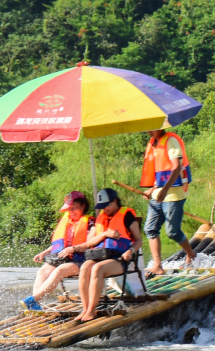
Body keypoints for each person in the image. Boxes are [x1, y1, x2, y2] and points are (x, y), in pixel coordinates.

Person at [75, 187, 149, 322]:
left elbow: (139, 240)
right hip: (101, 255)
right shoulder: (101, 218)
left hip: (121, 259)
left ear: (114, 201)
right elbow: (90, 242)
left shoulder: (127, 216)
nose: (104, 209)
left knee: (98, 268)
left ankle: (92, 310)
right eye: (102, 207)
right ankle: (85, 308)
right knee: (85, 266)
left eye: (106, 206)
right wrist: (105, 234)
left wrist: (130, 251)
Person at [22, 192, 93, 310]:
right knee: (42, 271)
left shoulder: (90, 223)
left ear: (83, 206)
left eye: (74, 208)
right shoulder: (67, 222)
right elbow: (59, 245)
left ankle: (34, 299)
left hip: (81, 261)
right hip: (62, 258)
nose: (71, 211)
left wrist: (73, 249)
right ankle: (35, 305)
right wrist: (45, 252)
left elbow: (91, 243)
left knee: (59, 271)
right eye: (69, 209)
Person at [140, 126, 195, 276]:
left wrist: (164, 190)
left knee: (172, 232)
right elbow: (160, 174)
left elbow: (176, 168)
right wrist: (153, 189)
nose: (148, 131)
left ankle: (191, 254)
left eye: (152, 128)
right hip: (158, 194)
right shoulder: (154, 144)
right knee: (150, 229)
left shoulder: (171, 141)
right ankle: (157, 265)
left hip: (173, 194)